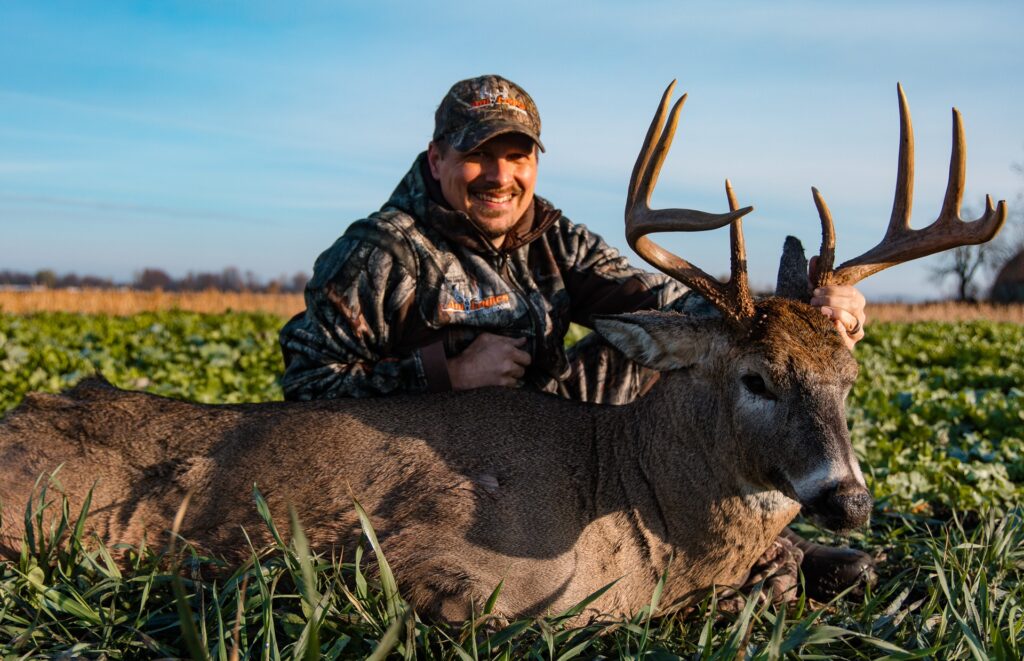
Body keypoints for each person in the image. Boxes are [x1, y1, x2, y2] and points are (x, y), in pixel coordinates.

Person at [279, 75, 873, 599]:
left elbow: (667, 306)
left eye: (517, 155)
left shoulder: (556, 239)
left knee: (679, 357)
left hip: (550, 439)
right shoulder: (382, 251)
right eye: (477, 154)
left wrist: (800, 325)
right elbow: (305, 388)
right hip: (432, 462)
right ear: (436, 159)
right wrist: (444, 374)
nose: (500, 175)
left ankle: (755, 538)